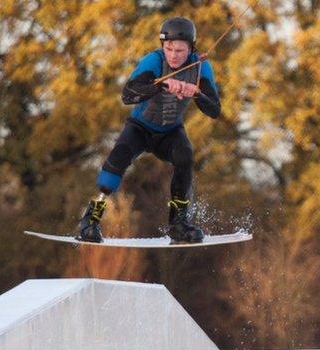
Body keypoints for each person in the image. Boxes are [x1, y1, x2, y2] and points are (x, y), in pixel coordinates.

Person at [76, 16, 221, 243]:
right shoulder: (153, 61)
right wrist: (162, 84)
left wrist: (197, 93)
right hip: (140, 128)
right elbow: (128, 95)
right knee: (116, 163)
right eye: (169, 48)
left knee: (185, 157)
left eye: (180, 51)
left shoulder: (201, 67)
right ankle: (89, 221)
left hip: (170, 132)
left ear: (191, 49)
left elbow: (214, 110)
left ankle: (179, 224)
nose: (173, 55)